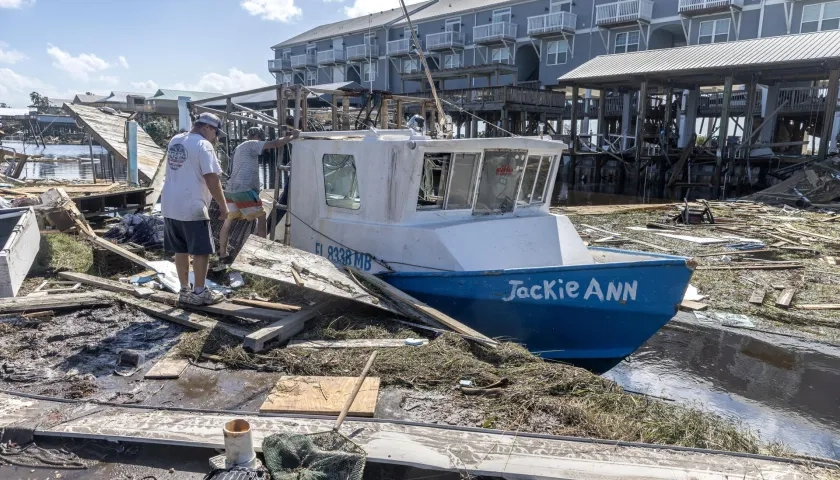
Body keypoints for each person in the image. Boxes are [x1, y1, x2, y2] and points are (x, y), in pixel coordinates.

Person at [160, 112, 228, 306]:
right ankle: (199, 292)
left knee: (180, 249)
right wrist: (223, 206)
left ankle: (184, 291)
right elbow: (211, 178)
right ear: (207, 127)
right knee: (201, 251)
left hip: (170, 204)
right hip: (192, 205)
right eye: (215, 133)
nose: (215, 138)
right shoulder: (203, 145)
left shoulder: (176, 140)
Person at [218, 126, 299, 261]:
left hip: (231, 189)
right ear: (259, 137)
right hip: (244, 190)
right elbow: (275, 144)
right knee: (261, 218)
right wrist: (292, 136)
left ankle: (222, 253)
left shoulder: (239, 147)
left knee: (227, 222)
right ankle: (262, 254)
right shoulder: (252, 144)